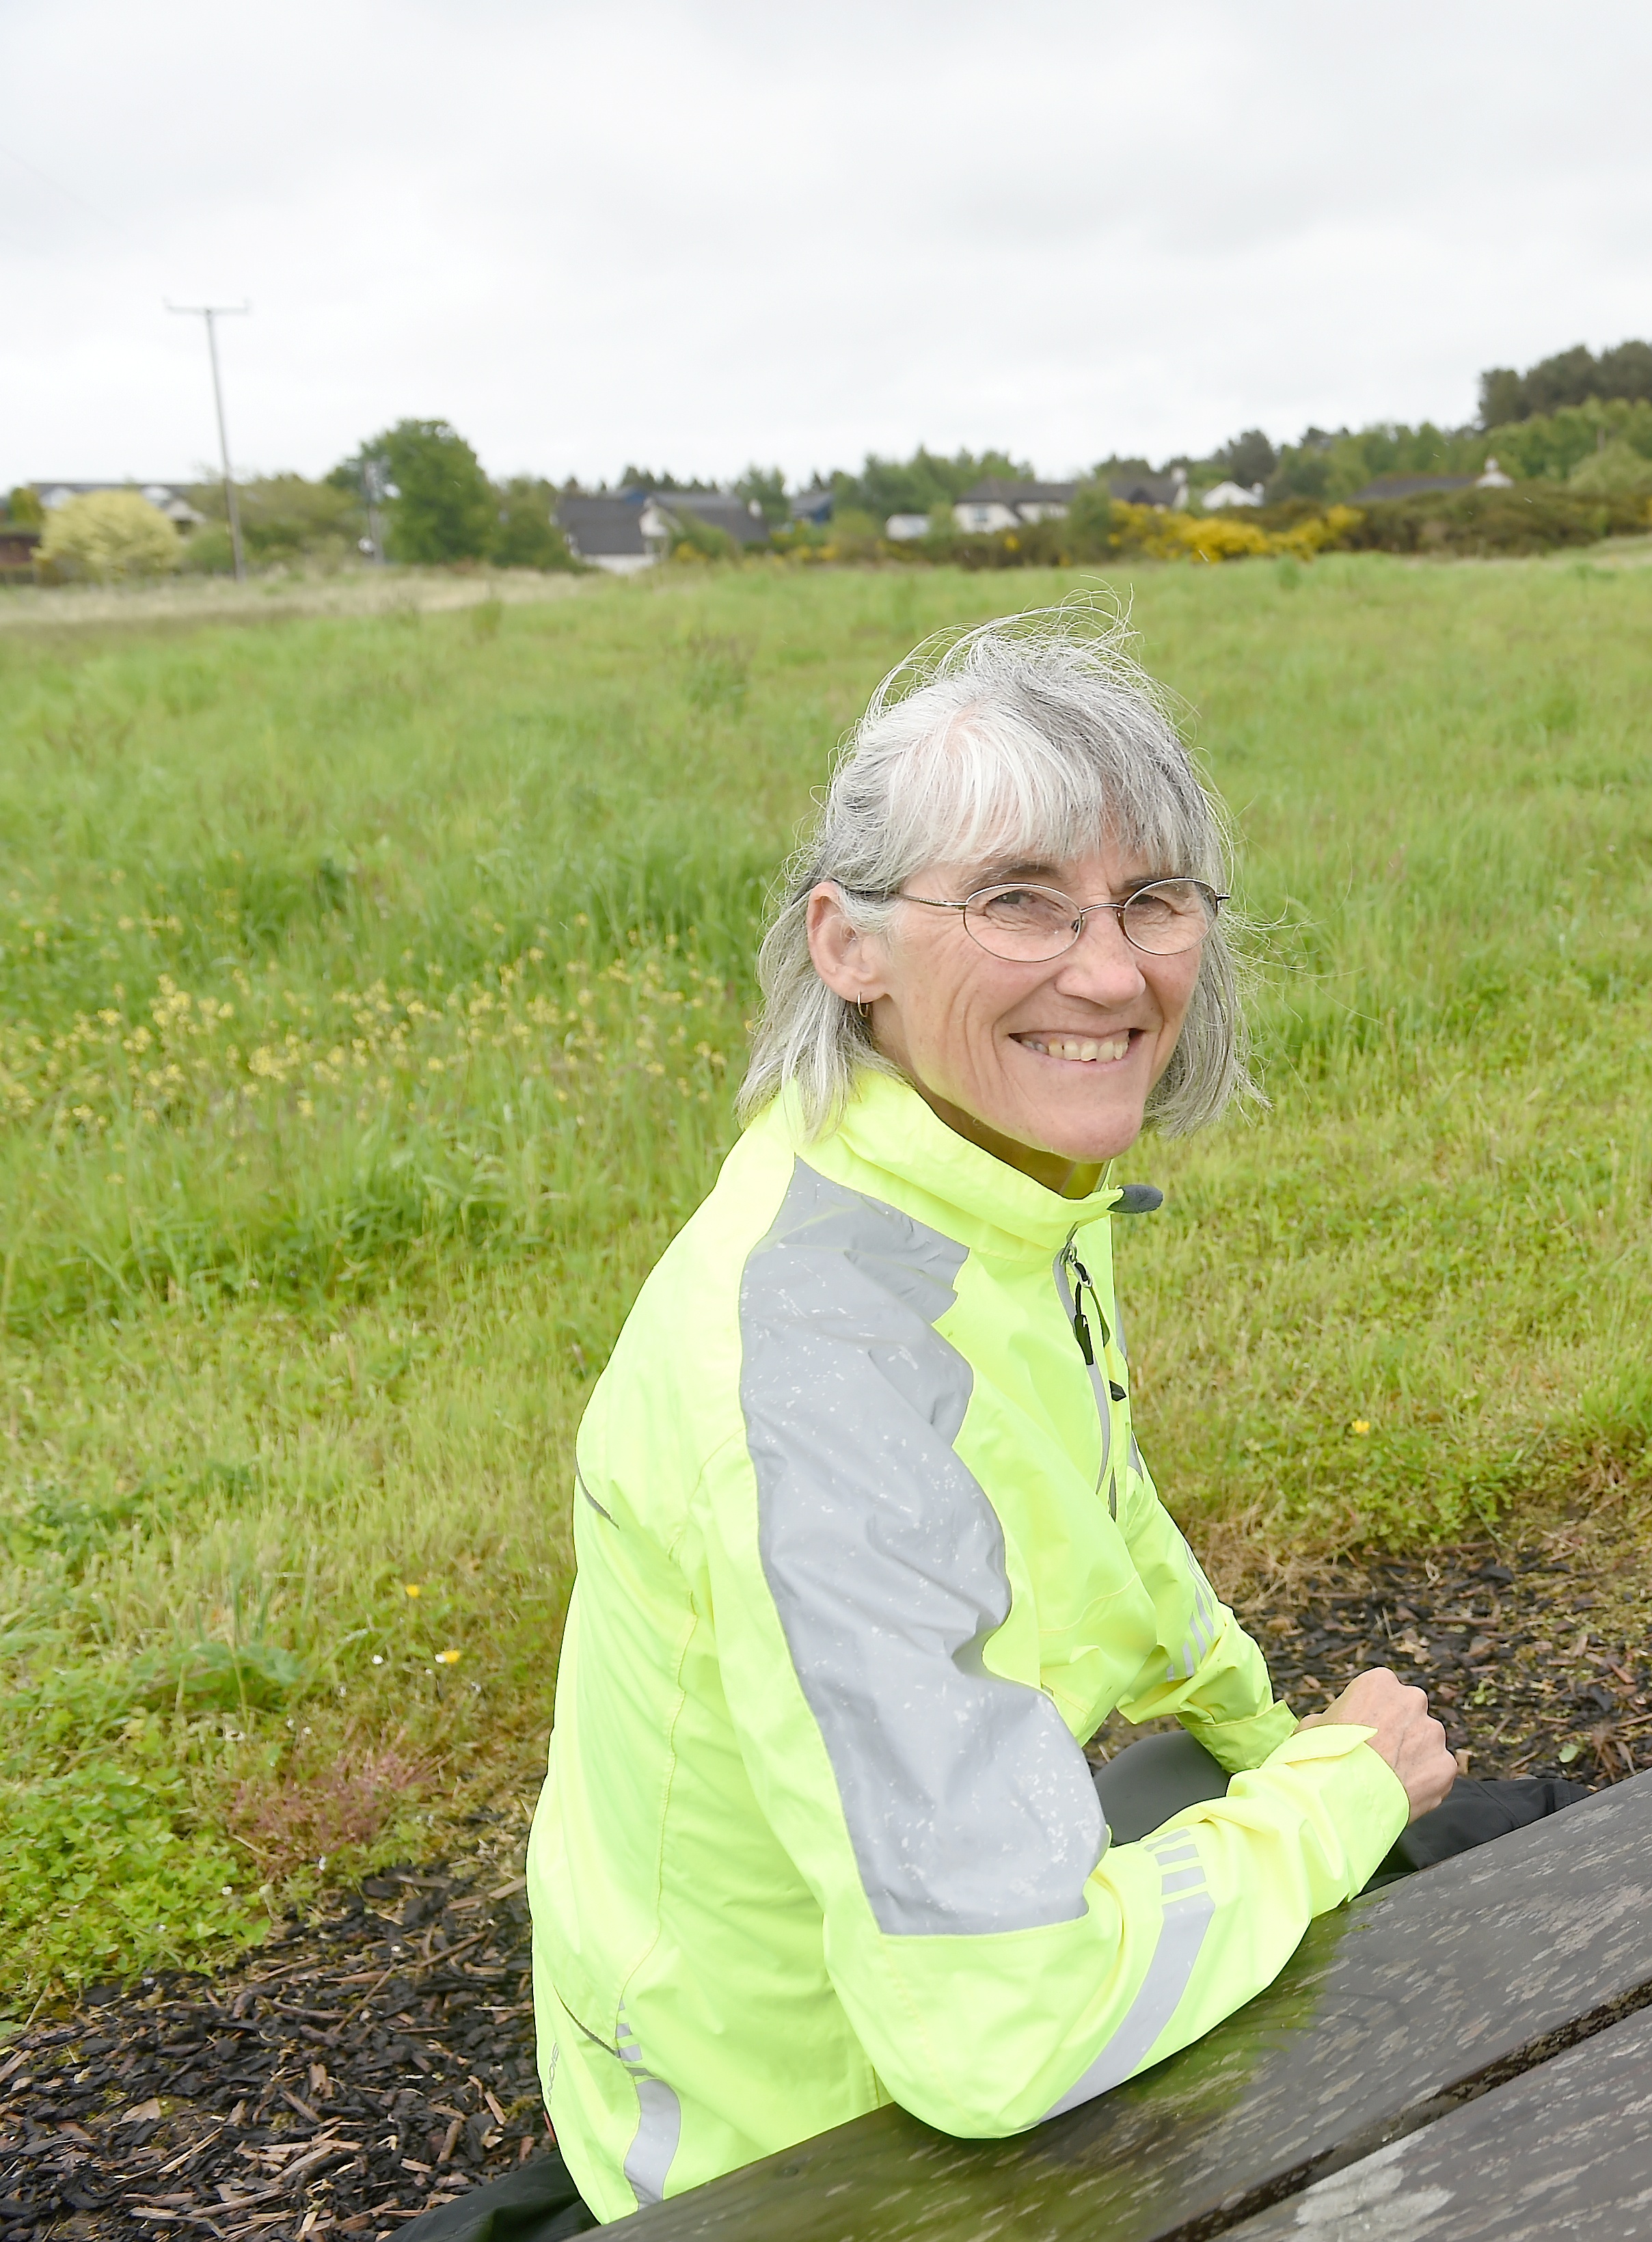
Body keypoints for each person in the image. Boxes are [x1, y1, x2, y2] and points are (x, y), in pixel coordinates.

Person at [437, 612, 1571, 2239]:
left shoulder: (968, 1196)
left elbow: (1102, 1521)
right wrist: (1328, 1803)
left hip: (893, 2035)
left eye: (1149, 899)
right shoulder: (818, 1380)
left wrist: (1281, 1740)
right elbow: (994, 2037)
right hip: (801, 2159)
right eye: (1020, 900)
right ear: (850, 943)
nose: (1108, 971)